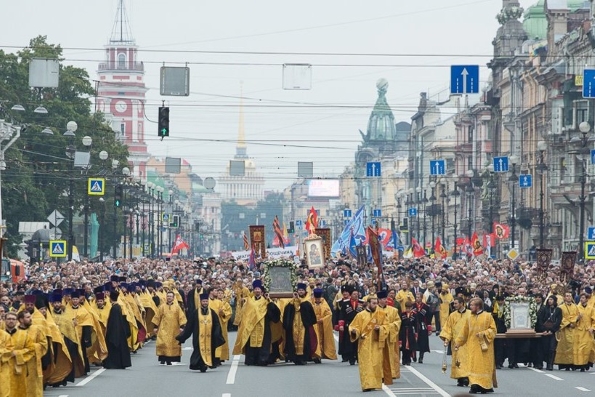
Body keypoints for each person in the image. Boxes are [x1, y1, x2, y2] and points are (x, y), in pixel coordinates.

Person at [232, 280, 281, 366]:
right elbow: (245, 313)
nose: (257, 291)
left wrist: (269, 301)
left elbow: (274, 313)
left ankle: (262, 359)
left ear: (261, 291)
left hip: (264, 325)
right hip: (251, 326)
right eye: (256, 289)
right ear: (253, 291)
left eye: (259, 289)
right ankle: (251, 359)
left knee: (264, 343)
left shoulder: (266, 301)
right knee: (251, 343)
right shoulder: (249, 301)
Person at [454, 297, 497, 395]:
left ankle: (484, 385)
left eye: (472, 305)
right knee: (473, 366)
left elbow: (493, 330)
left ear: (478, 306)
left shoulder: (487, 316)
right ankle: (474, 385)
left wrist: (483, 333)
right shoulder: (469, 317)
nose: (470, 307)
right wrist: (458, 343)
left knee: (483, 367)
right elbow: (464, 332)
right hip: (472, 347)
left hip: (485, 348)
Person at [349, 296, 392, 392]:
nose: (375, 305)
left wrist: (379, 328)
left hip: (376, 343)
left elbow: (386, 326)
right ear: (368, 303)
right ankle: (367, 385)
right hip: (364, 344)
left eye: (376, 303)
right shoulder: (360, 315)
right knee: (366, 364)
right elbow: (354, 327)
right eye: (373, 303)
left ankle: (375, 384)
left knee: (376, 363)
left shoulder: (381, 314)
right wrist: (354, 332)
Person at [175, 292, 225, 372]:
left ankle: (207, 363)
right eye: (203, 301)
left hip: (209, 337)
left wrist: (216, 333)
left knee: (209, 350)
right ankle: (201, 365)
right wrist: (182, 337)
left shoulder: (212, 312)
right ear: (201, 302)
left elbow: (217, 324)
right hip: (198, 336)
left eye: (206, 301)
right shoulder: (195, 313)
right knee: (198, 350)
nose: (205, 303)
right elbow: (189, 326)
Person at [283, 282, 318, 365]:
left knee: (304, 341)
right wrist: (294, 301)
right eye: (299, 290)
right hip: (294, 323)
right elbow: (288, 311)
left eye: (302, 290)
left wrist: (301, 303)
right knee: (293, 340)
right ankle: (294, 357)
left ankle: (303, 357)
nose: (301, 292)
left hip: (303, 325)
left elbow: (310, 313)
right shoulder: (291, 301)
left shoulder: (307, 301)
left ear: (304, 291)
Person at [440, 296, 470, 387]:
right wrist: (446, 338)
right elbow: (448, 328)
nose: (454, 305)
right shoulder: (452, 315)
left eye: (456, 303)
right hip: (455, 342)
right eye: (454, 303)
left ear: (462, 303)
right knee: (457, 360)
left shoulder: (470, 314)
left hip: (467, 341)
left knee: (466, 359)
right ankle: (460, 378)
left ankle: (465, 377)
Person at [152, 291, 187, 365]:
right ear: (166, 297)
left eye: (170, 296)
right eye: (168, 296)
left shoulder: (177, 307)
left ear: (173, 298)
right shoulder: (162, 307)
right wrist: (155, 327)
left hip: (174, 329)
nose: (169, 298)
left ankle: (170, 359)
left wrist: (182, 327)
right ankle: (163, 358)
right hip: (163, 328)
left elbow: (181, 317)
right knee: (163, 343)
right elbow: (157, 317)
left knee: (173, 344)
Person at [103, 291, 132, 369]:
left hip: (115, 331)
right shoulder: (118, 307)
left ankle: (114, 364)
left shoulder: (114, 308)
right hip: (120, 331)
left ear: (110, 299)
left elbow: (114, 322)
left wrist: (111, 333)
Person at [377, 289, 401, 381]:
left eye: (385, 298)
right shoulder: (375, 310)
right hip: (379, 336)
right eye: (382, 299)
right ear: (379, 300)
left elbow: (397, 322)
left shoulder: (393, 310)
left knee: (391, 355)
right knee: (379, 355)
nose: (385, 300)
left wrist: (388, 327)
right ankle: (380, 373)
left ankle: (391, 373)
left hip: (390, 337)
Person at [338, 285, 363, 365]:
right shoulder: (345, 303)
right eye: (354, 294)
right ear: (351, 295)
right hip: (349, 324)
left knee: (359, 342)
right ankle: (351, 358)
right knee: (349, 342)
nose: (356, 295)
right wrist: (341, 325)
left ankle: (359, 357)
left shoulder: (362, 303)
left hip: (359, 325)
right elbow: (342, 314)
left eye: (357, 294)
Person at [311, 287, 337, 362]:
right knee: (315, 339)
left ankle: (321, 353)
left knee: (322, 339)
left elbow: (329, 314)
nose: (317, 300)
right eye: (316, 299)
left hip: (322, 324)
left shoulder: (324, 303)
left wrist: (323, 320)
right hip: (314, 324)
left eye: (318, 299)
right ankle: (315, 354)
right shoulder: (311, 303)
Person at [554, 291, 578, 370]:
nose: (568, 297)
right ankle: (565, 364)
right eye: (567, 296)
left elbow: (577, 316)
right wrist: (568, 323)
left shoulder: (575, 306)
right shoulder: (560, 307)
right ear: (564, 297)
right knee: (565, 346)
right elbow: (560, 318)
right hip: (565, 329)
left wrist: (573, 322)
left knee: (573, 347)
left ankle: (573, 364)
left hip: (573, 329)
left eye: (570, 296)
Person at [573, 293, 595, 372]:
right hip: (579, 331)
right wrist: (577, 318)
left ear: (586, 299)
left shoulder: (591, 309)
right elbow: (573, 319)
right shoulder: (577, 308)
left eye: (583, 298)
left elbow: (594, 320)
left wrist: (593, 327)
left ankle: (587, 363)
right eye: (580, 298)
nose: (581, 299)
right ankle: (580, 364)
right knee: (580, 349)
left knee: (588, 348)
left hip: (588, 331)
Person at [414, 292, 431, 363]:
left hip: (422, 325)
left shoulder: (426, 307)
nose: (417, 298)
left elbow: (428, 318)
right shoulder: (412, 305)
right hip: (414, 325)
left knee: (422, 341)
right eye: (416, 297)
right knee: (413, 341)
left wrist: (429, 328)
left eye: (418, 297)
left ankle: (421, 357)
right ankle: (413, 356)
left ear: (421, 298)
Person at [399, 301, 417, 366]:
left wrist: (416, 333)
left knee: (410, 346)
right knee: (404, 346)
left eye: (409, 308)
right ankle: (404, 359)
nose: (408, 309)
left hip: (410, 331)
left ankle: (408, 360)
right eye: (407, 308)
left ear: (411, 308)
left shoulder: (414, 315)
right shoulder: (402, 314)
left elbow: (416, 325)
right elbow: (400, 324)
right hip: (403, 330)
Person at [0, 328, 12, 397]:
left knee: (4, 391)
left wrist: (1, 352)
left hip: (2, 367)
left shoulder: (5, 335)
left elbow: (10, 350)